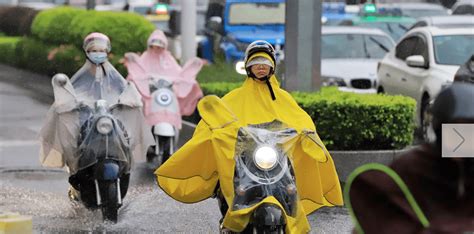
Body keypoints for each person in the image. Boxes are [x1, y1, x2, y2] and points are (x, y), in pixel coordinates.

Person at [155, 40, 343, 233]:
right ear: (247, 66)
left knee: (291, 185)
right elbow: (217, 121)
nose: (261, 66)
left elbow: (301, 121)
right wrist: (217, 132)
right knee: (226, 177)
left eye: (266, 62)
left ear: (273, 67)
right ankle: (229, 212)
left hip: (276, 160)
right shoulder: (233, 98)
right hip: (244, 160)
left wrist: (306, 134)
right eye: (256, 61)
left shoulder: (284, 98)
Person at [39, 32, 153, 200]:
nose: (98, 53)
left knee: (125, 139)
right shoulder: (81, 76)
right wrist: (69, 103)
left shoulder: (114, 77)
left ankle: (124, 169)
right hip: (88, 121)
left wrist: (131, 98)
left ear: (107, 52)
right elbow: (72, 93)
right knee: (74, 142)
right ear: (87, 51)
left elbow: (125, 90)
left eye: (101, 50)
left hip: (108, 120)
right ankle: (76, 173)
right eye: (94, 50)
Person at [347, 83, 474, 233]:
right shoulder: (412, 166)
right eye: (455, 127)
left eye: (469, 128)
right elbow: (380, 218)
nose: (461, 137)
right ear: (440, 128)